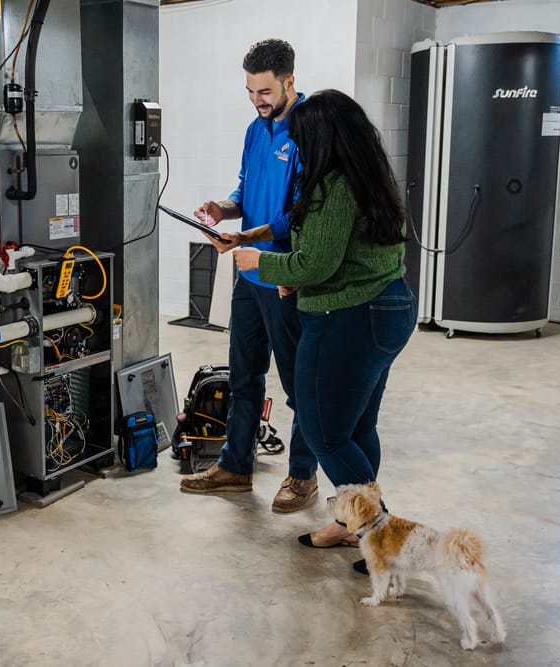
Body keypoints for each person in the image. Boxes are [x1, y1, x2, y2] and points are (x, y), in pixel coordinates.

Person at [231, 89, 417, 564]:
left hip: (348, 318)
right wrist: (295, 272)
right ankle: (348, 522)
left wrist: (264, 265)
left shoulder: (334, 186)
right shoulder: (370, 176)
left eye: (303, 138)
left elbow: (315, 261)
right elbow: (342, 252)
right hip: (386, 307)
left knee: (324, 433)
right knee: (356, 428)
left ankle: (381, 536)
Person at [180, 38, 319, 515]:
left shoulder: (308, 133)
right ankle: (235, 465)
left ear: (289, 82)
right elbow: (246, 191)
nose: (257, 101)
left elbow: (299, 216)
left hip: (284, 275)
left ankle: (302, 477)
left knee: (300, 386)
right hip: (247, 275)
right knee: (244, 376)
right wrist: (224, 208)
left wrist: (246, 240)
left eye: (264, 91)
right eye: (250, 91)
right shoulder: (254, 130)